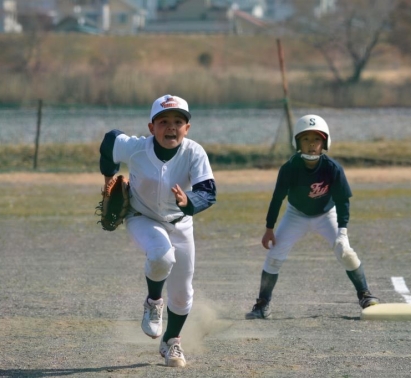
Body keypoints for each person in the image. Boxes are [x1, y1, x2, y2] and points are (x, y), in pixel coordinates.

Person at [99, 94, 216, 367]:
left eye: (178, 121)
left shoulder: (194, 153)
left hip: (181, 222)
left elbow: (209, 192)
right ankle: (153, 302)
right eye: (163, 121)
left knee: (183, 293)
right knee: (162, 256)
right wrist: (108, 178)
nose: (171, 127)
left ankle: (171, 342)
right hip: (143, 217)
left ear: (187, 128)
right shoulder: (136, 148)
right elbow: (109, 141)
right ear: (151, 128)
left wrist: (189, 202)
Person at [245, 114, 379, 320]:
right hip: (295, 214)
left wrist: (342, 231)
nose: (311, 145)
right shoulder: (290, 168)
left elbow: (343, 201)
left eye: (316, 139)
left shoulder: (332, 168)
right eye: (305, 139)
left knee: (344, 251)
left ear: (325, 142)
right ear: (297, 143)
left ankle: (365, 295)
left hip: (326, 214)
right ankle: (263, 304)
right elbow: (277, 198)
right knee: (274, 256)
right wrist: (269, 228)